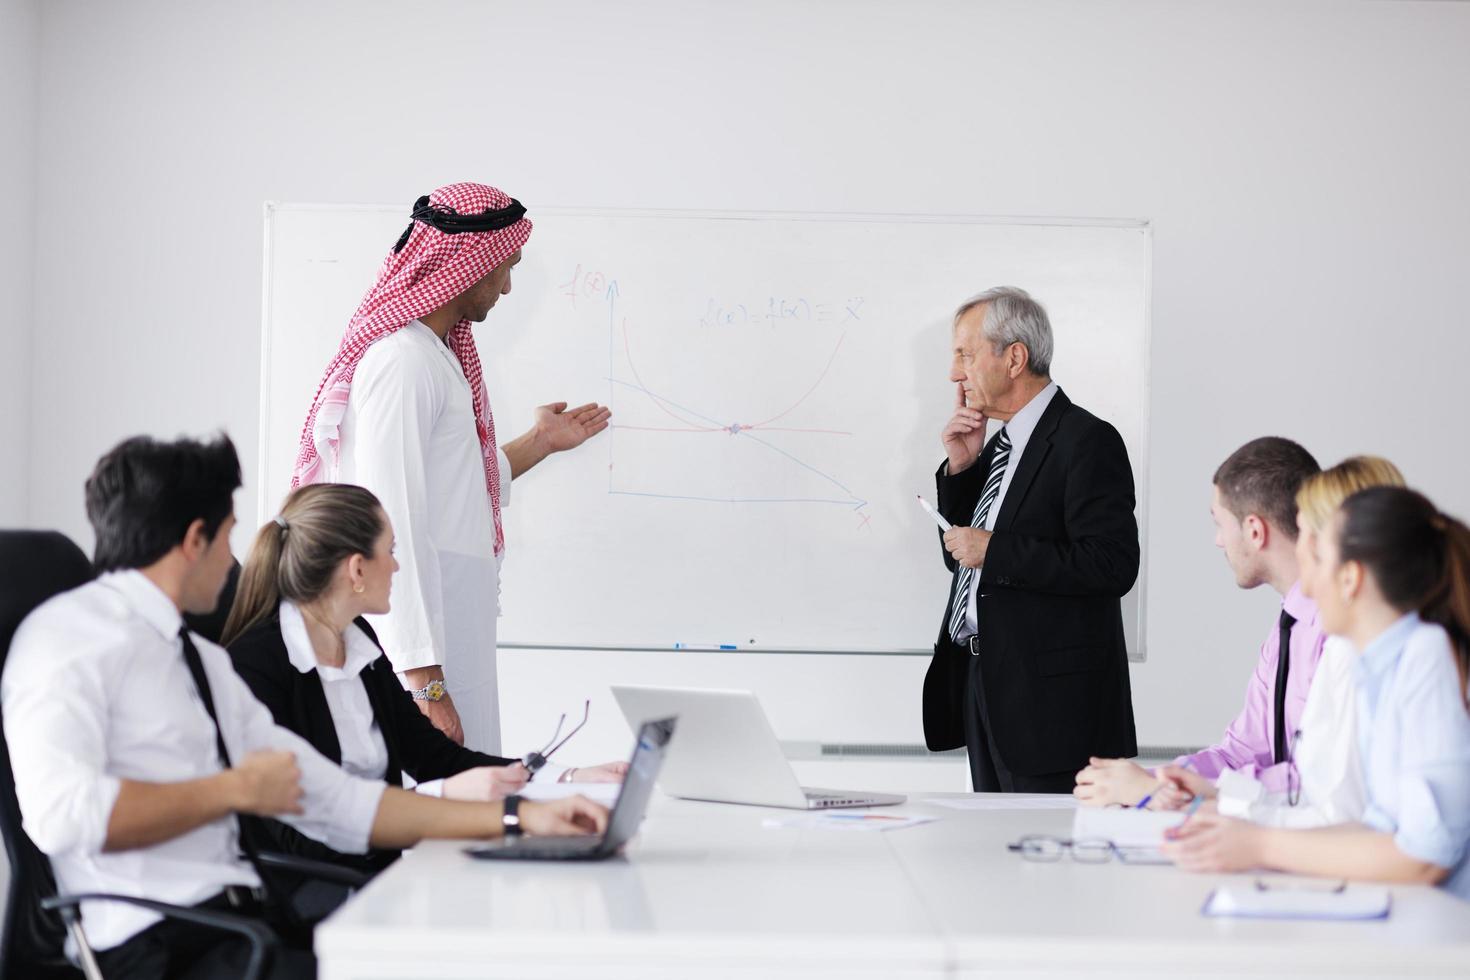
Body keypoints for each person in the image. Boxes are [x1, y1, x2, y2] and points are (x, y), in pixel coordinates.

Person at [1, 435, 607, 978]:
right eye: (229, 535)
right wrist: (233, 790)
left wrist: (519, 820)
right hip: (157, 943)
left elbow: (337, 800)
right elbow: (61, 816)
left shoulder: (199, 663)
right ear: (194, 541)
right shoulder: (67, 643)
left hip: (244, 922)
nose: (237, 559)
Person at [291, 182, 610, 753]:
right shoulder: (402, 362)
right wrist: (423, 680)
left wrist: (540, 441)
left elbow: (458, 486)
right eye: (504, 268)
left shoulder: (434, 358)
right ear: (469, 266)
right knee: (444, 805)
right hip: (423, 651)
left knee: (475, 794)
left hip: (452, 628)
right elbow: (391, 518)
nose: (508, 287)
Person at [222, 482, 627, 879]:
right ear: (357, 568)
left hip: (382, 877)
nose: (397, 566)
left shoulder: (357, 639)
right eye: (390, 551)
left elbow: (437, 759)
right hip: (312, 896)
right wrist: (441, 804)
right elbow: (288, 832)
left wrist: (567, 777)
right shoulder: (255, 666)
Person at [1164, 486, 1470, 900]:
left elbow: (1424, 856)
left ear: (1351, 578)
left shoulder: (1422, 654)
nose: (1306, 586)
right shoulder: (1373, 666)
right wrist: (1241, 831)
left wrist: (1258, 844)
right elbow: (1371, 828)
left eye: (1318, 559)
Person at [925, 286, 1139, 793]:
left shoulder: (1086, 440)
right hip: (987, 689)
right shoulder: (998, 446)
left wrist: (994, 549)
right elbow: (962, 559)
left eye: (965, 355)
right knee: (994, 861)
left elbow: (1112, 564)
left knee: (1046, 865)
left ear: (1015, 357)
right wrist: (961, 466)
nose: (956, 374)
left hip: (1053, 712)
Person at [1150, 457, 1405, 825]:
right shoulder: (1298, 631)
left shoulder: (1352, 645)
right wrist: (1173, 781)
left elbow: (1327, 794)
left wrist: (1215, 800)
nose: (1301, 553)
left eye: (1310, 539)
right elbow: (1263, 757)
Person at [1076, 437, 1323, 806]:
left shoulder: (1337, 629)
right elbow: (1244, 749)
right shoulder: (1288, 625)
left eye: (1220, 523)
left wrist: (1164, 790)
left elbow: (1318, 781)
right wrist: (1163, 779)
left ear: (1254, 531)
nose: (1218, 541)